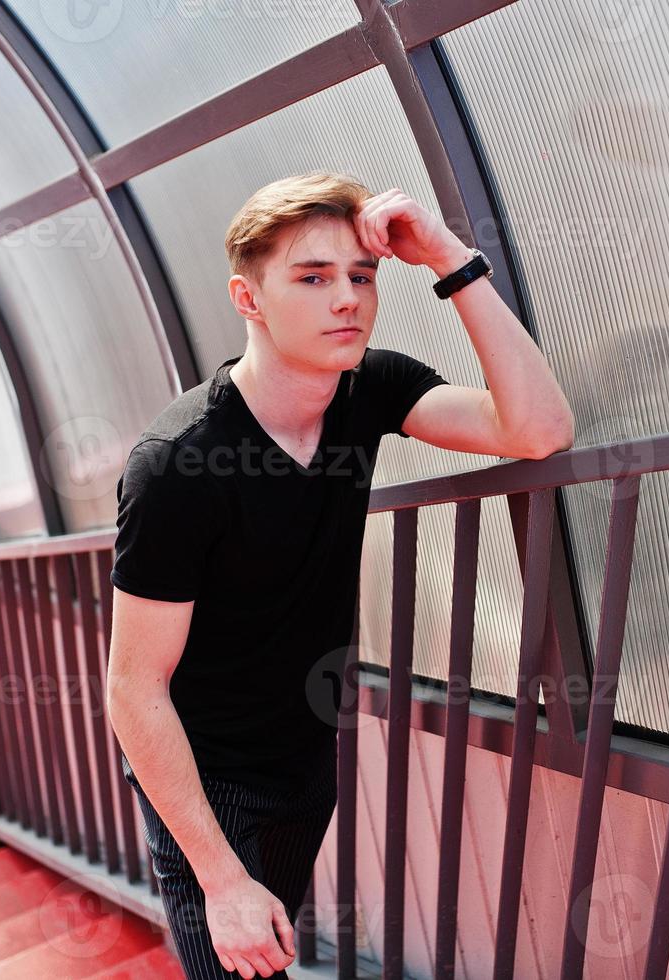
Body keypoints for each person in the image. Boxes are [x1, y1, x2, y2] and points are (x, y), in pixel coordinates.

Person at [105, 170, 574, 980]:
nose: (346, 300)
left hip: (305, 757)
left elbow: (537, 429)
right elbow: (133, 689)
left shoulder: (367, 390)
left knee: (273, 960)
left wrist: (444, 256)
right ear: (248, 299)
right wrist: (222, 881)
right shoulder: (178, 465)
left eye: (360, 277)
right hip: (206, 785)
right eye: (312, 278)